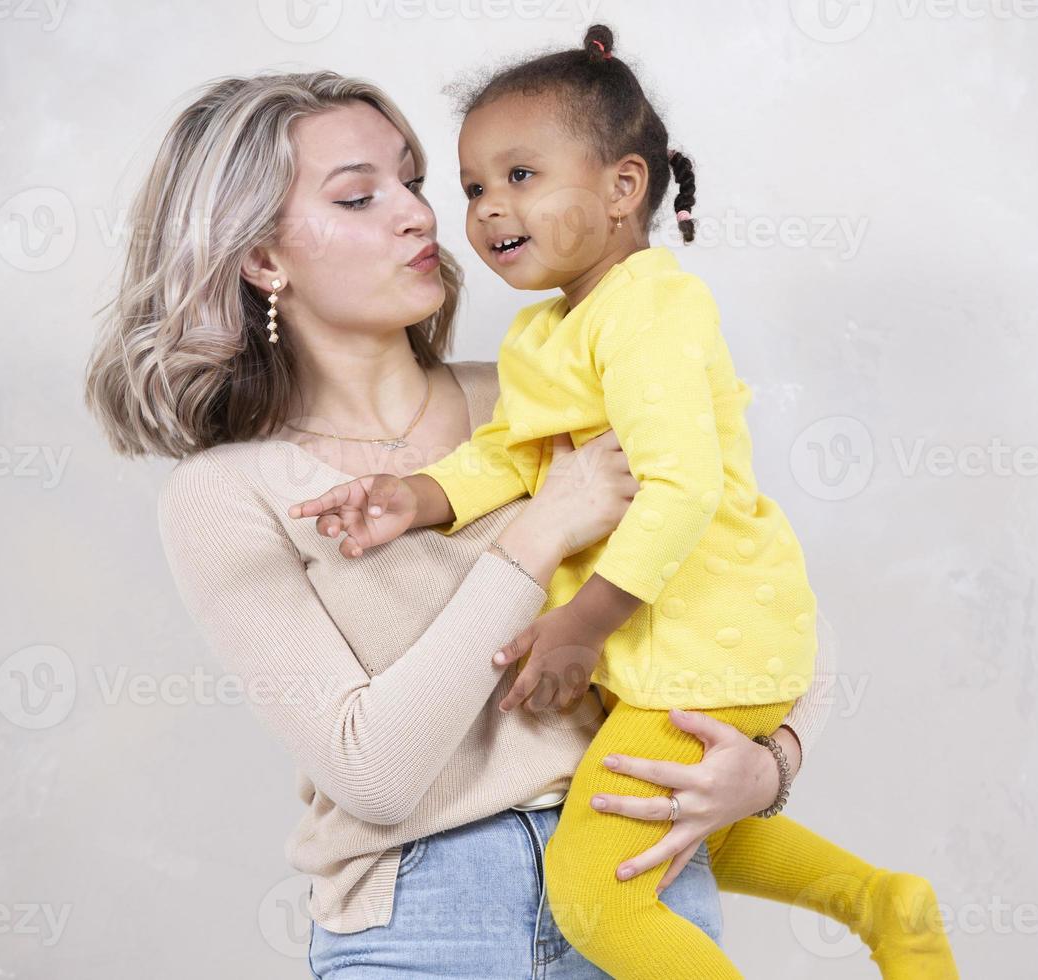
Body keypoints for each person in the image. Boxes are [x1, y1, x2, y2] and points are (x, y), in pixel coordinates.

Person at [83, 69, 887, 978]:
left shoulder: (549, 394)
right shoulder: (230, 493)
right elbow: (372, 776)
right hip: (424, 922)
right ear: (263, 259)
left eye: (417, 181)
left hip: (634, 874)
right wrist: (539, 533)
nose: (421, 216)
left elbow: (761, 601)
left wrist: (771, 766)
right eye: (359, 196)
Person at [292, 26, 957, 980]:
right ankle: (885, 905)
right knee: (678, 826)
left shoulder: (651, 307)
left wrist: (583, 624)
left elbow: (682, 490)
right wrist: (418, 498)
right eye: (475, 187)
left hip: (708, 636)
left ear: (623, 188)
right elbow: (514, 459)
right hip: (659, 660)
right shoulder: (540, 334)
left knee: (598, 896)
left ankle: (882, 907)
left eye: (522, 176)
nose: (485, 211)